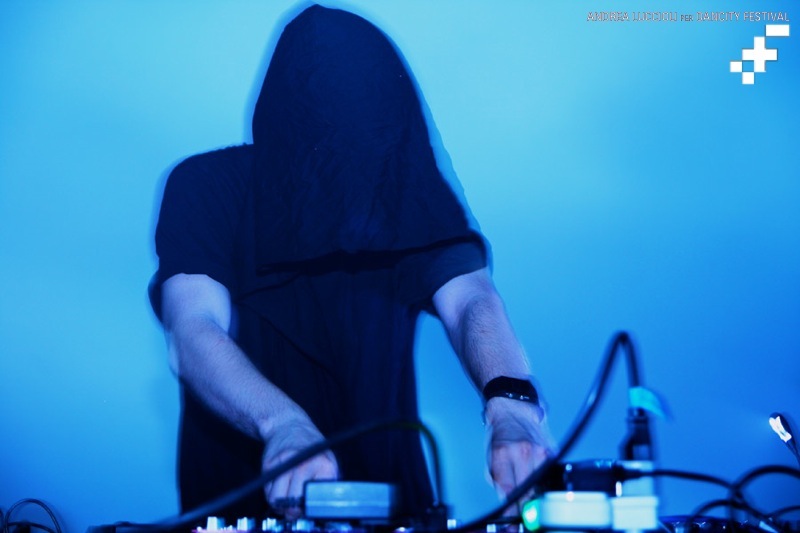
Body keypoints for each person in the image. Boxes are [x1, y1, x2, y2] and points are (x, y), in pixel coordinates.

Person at [149, 4, 553, 523]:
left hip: (394, 504)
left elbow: (470, 297)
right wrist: (283, 424)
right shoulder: (206, 189)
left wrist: (512, 407)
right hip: (243, 503)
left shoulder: (402, 188)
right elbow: (193, 329)